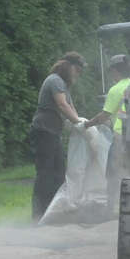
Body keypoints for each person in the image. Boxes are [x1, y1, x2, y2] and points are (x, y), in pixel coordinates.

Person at [30, 52, 90, 221]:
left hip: (52, 133)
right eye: (77, 70)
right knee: (45, 173)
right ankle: (38, 215)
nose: (77, 74)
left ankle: (53, 212)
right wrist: (78, 123)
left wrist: (81, 125)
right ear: (67, 66)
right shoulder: (55, 80)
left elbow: (71, 107)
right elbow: (62, 105)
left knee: (58, 173)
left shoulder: (63, 85)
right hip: (43, 131)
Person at [84, 54, 130, 208]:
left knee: (113, 172)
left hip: (120, 136)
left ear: (116, 71)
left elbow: (104, 115)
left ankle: (111, 208)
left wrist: (88, 124)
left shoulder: (115, 89)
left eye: (112, 71)